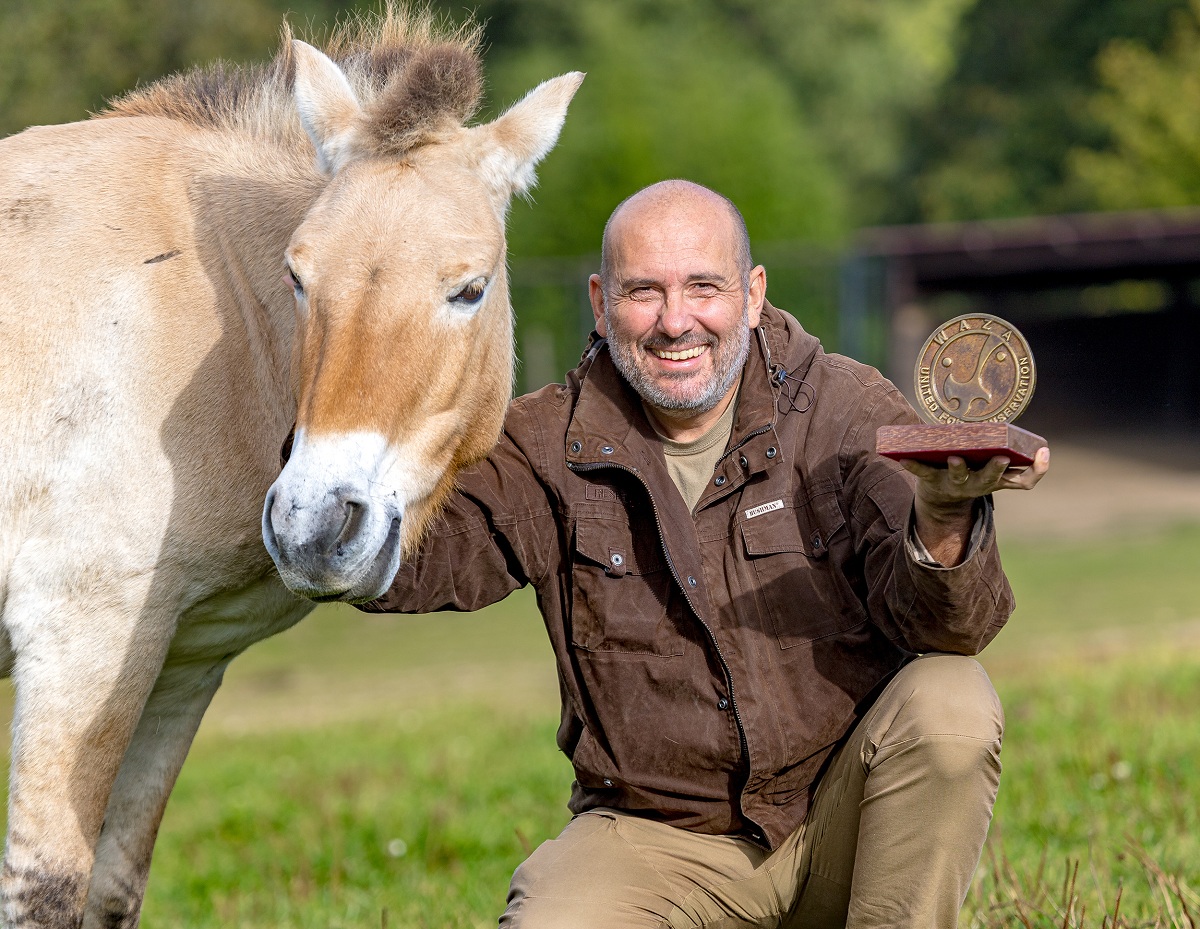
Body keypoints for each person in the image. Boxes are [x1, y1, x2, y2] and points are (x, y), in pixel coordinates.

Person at [361, 179, 1050, 928]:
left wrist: (945, 516)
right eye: (643, 291)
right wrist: (338, 433)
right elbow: (415, 559)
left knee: (951, 699)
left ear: (753, 294)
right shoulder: (543, 441)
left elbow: (948, 629)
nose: (674, 321)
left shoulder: (846, 408)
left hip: (836, 823)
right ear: (599, 301)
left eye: (703, 287)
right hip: (656, 842)